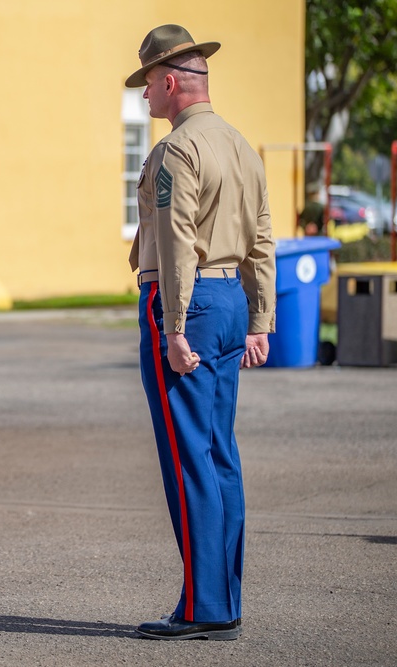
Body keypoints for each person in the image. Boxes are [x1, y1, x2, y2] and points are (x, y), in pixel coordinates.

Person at [125, 25, 276, 640]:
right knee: (219, 456)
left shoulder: (176, 150)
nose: (143, 99)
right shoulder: (242, 146)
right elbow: (262, 241)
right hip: (231, 300)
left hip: (184, 302)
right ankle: (222, 599)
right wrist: (261, 319)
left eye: (145, 87)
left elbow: (178, 241)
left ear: (168, 82)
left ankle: (202, 609)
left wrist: (173, 326)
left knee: (190, 460)